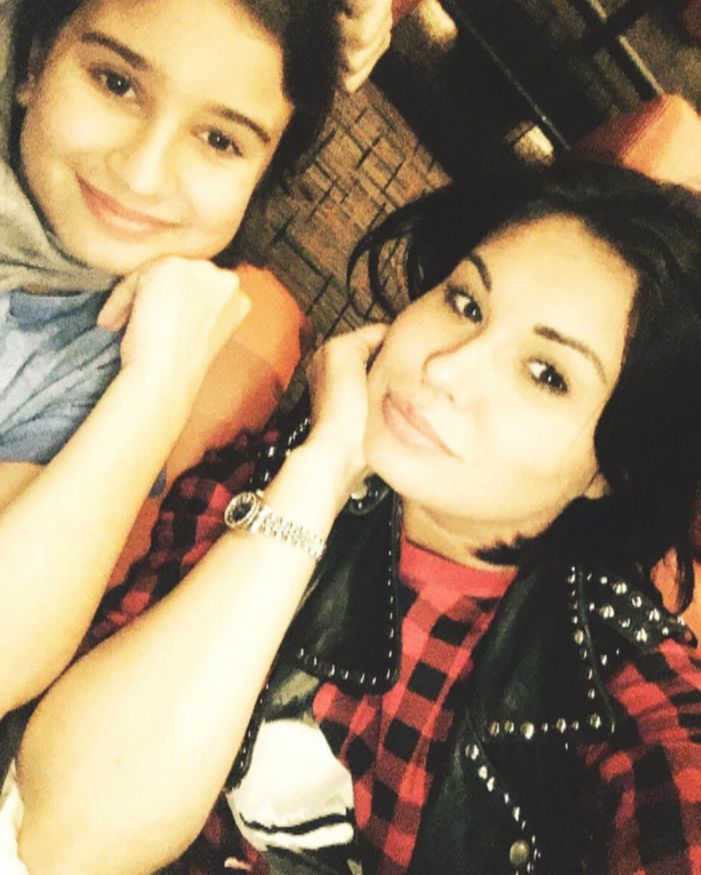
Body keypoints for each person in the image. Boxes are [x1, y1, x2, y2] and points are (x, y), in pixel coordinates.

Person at [13, 162, 701, 874]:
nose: (446, 369)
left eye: (546, 374)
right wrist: (320, 472)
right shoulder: (267, 475)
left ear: (612, 468)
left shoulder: (617, 684)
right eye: (465, 303)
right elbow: (60, 834)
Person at [0, 0, 340, 724]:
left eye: (219, 140)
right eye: (116, 83)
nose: (143, 173)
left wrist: (157, 387)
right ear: (32, 63)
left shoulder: (98, 356)